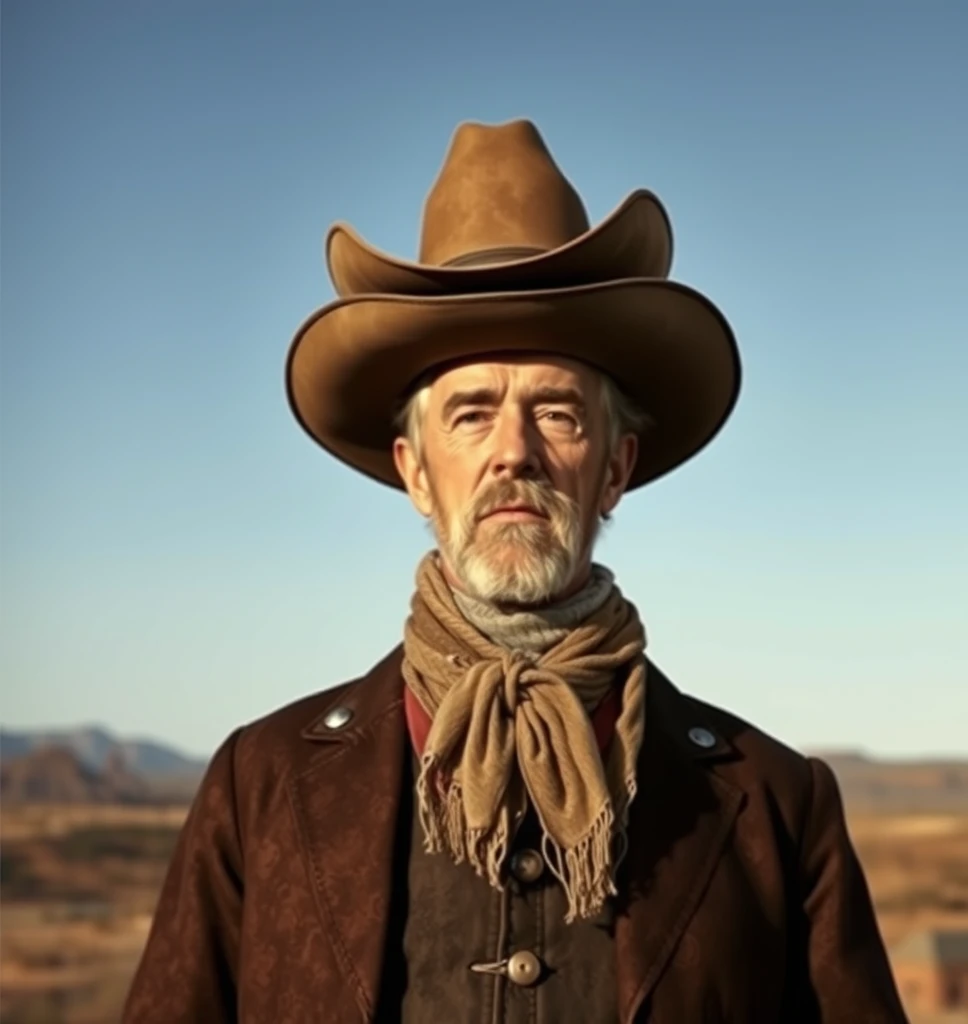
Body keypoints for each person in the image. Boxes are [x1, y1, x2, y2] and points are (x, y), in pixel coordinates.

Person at [123, 119, 908, 1023]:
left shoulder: (775, 805)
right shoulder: (259, 787)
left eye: (558, 413)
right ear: (415, 470)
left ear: (615, 468)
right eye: (470, 414)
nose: (514, 454)